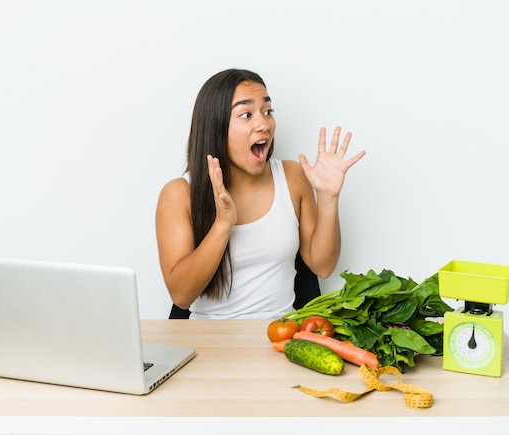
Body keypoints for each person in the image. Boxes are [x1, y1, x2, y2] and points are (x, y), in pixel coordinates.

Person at [155, 68, 365, 319]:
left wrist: (329, 197)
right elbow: (181, 295)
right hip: (208, 342)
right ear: (216, 127)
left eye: (267, 112)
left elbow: (323, 266)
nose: (263, 124)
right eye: (246, 114)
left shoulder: (292, 176)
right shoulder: (179, 193)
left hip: (280, 337)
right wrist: (223, 224)